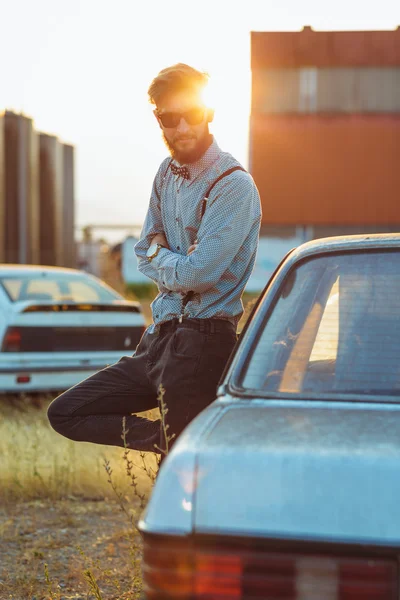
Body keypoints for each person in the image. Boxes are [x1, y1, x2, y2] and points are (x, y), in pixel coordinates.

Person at [47, 63, 261, 457]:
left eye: (192, 114)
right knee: (66, 412)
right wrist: (170, 258)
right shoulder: (166, 174)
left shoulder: (233, 185)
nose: (181, 128)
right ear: (158, 119)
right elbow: (143, 251)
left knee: (181, 482)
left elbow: (199, 274)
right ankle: (168, 441)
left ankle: (179, 446)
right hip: (156, 339)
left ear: (209, 112)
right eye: (169, 118)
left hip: (202, 341)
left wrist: (165, 257)